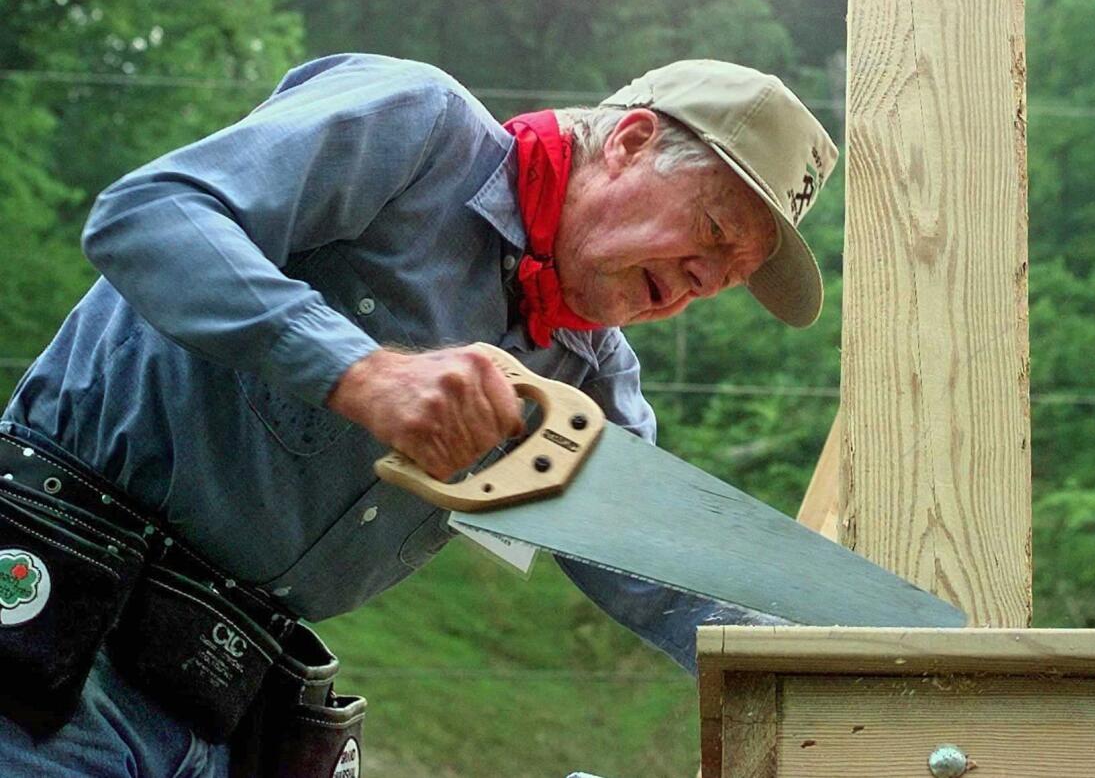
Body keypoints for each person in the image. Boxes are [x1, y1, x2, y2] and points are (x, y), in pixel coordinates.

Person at [0, 54, 838, 776]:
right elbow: (149, 216)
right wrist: (360, 371)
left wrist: (859, 678)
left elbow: (666, 576)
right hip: (44, 636)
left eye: (723, 279)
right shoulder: (418, 129)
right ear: (630, 142)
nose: (699, 283)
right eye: (712, 232)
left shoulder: (587, 381)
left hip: (218, 713)